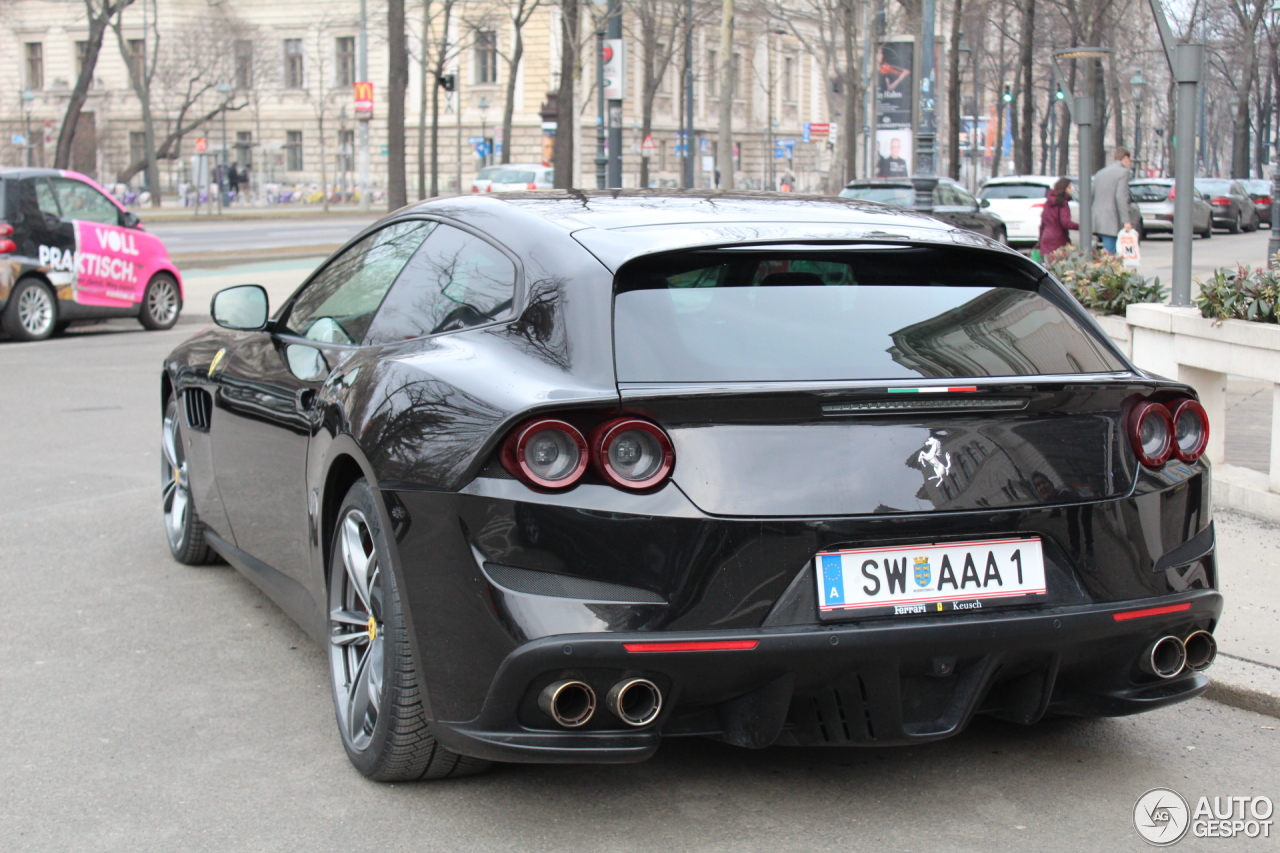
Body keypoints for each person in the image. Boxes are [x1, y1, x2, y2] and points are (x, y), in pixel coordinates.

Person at [1091, 146, 1132, 254]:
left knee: (1107, 248)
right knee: (1110, 252)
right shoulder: (1123, 172)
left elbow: (1092, 193)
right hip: (1111, 217)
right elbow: (1121, 197)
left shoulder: (1101, 172)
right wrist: (1126, 220)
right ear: (1126, 158)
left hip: (1098, 216)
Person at [1038, 177, 1079, 258]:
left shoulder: (1049, 202)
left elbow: (1043, 223)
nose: (1072, 190)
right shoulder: (1062, 203)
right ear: (1064, 188)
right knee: (1058, 264)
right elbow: (1065, 223)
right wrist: (1080, 226)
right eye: (1070, 187)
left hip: (1046, 237)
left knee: (1047, 263)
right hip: (1059, 238)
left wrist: (1040, 239)